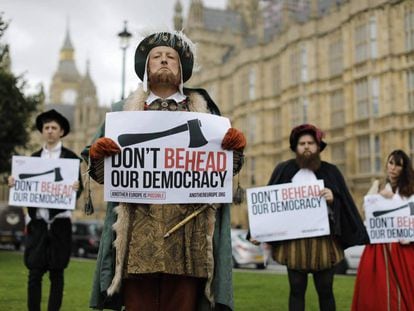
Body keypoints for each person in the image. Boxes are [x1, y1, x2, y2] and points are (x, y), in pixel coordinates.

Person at [82, 31, 246, 311]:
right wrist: (97, 155)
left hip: (188, 233)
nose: (164, 61)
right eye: (157, 56)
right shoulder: (123, 112)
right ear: (146, 66)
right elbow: (101, 173)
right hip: (137, 232)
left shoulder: (206, 114)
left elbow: (220, 172)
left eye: (171, 57)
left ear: (182, 69)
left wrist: (235, 151)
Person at [249, 124, 368, 311]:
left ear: (318, 146)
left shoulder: (331, 171)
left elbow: (345, 204)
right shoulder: (284, 169)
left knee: (326, 290)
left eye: (310, 143)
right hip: (294, 244)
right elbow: (269, 206)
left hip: (324, 243)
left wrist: (333, 200)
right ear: (295, 147)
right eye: (302, 143)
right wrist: (257, 232)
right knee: (296, 290)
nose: (306, 146)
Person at [8, 109, 83, 311]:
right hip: (38, 224)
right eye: (46, 127)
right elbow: (23, 187)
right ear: (42, 131)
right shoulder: (31, 160)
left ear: (61, 132)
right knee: (34, 273)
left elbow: (79, 189)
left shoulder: (71, 159)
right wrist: (14, 183)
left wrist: (76, 188)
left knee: (57, 273)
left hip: (60, 223)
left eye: (54, 128)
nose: (49, 131)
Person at [352, 149, 414, 311]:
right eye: (391, 163)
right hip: (378, 247)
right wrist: (379, 194)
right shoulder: (377, 185)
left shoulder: (410, 190)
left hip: (402, 247)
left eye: (398, 165)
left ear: (404, 168)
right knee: (375, 290)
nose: (393, 168)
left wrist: (392, 198)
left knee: (404, 290)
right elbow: (366, 210)